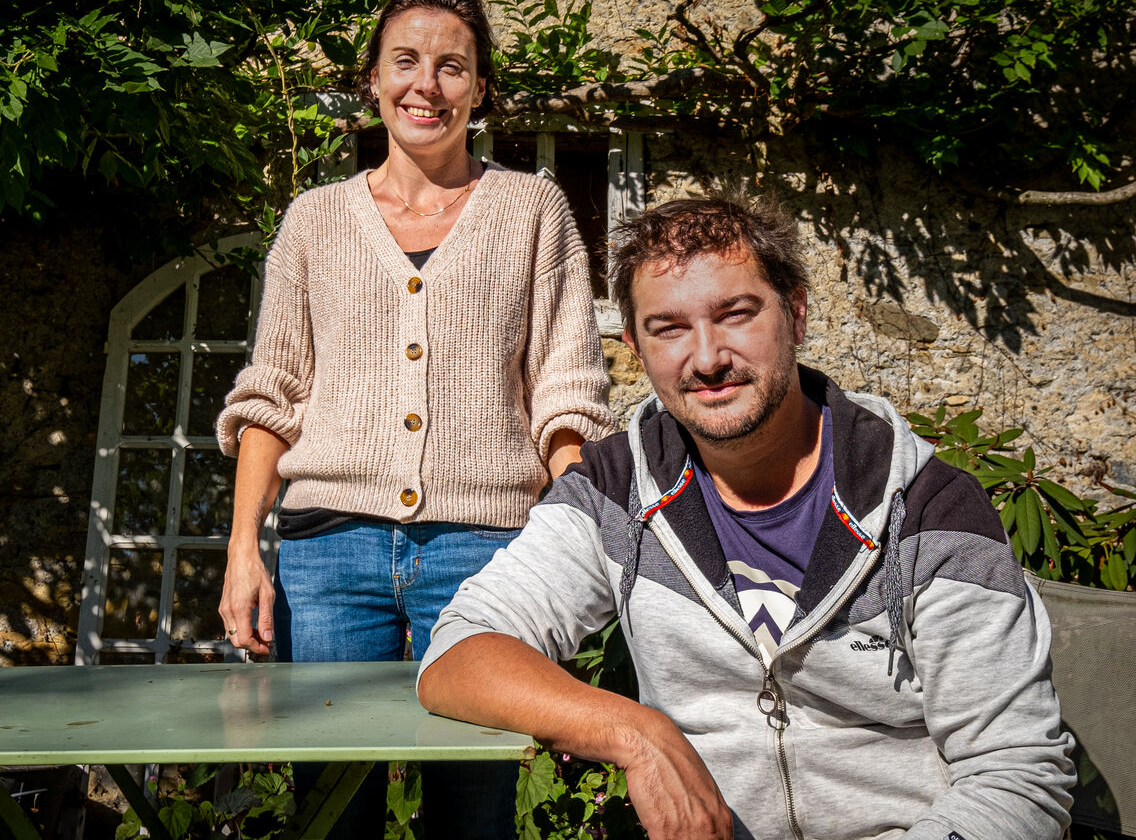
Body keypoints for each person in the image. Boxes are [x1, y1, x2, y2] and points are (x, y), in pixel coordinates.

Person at [417, 194, 1076, 839]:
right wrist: (638, 733)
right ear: (636, 348)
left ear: (796, 313)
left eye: (735, 315)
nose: (707, 359)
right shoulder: (613, 491)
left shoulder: (930, 510)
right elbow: (460, 650)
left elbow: (1019, 776)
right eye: (669, 328)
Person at [215, 0, 615, 836]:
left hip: (484, 548)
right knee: (334, 811)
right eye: (405, 61)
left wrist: (575, 539)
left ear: (480, 88)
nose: (425, 85)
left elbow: (567, 393)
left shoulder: (533, 210)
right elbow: (272, 394)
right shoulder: (314, 220)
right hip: (328, 551)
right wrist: (244, 547)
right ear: (373, 79)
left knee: (475, 813)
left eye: (451, 67)